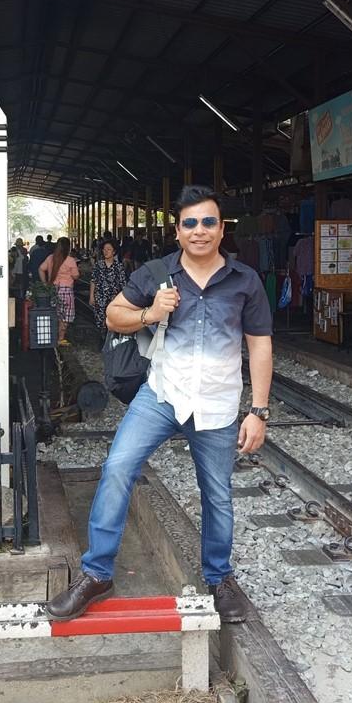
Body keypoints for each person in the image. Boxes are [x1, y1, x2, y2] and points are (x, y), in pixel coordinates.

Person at [47, 185, 273, 624]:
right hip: (162, 395)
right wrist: (151, 313)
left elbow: (260, 346)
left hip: (217, 404)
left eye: (209, 222)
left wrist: (258, 410)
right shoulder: (156, 274)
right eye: (190, 223)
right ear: (177, 231)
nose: (199, 231)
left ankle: (220, 579)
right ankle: (96, 574)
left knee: (218, 496)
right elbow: (114, 315)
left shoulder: (245, 281)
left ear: (222, 229)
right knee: (117, 468)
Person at [38, 236, 80, 347]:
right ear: (68, 247)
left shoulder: (50, 258)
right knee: (65, 316)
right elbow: (76, 276)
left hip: (53, 290)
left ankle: (52, 336)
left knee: (55, 314)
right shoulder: (70, 260)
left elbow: (41, 269)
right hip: (66, 291)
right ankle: (60, 338)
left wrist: (45, 283)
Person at [89, 239, 127, 334]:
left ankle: (110, 340)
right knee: (100, 320)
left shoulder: (119, 266)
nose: (105, 251)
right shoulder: (98, 265)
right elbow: (93, 281)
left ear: (114, 252)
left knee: (113, 320)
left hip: (114, 298)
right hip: (100, 297)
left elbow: (123, 283)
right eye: (104, 249)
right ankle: (102, 339)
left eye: (109, 249)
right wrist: (91, 296)